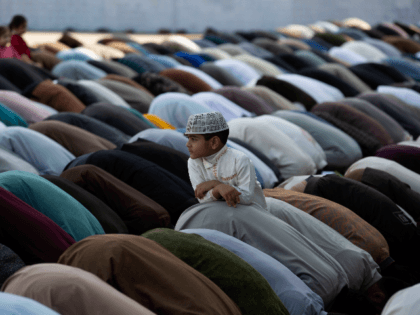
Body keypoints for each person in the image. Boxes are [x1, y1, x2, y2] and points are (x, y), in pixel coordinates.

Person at [185, 111, 267, 209]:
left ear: (214, 142)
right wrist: (218, 189)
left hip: (253, 213)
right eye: (188, 138)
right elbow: (202, 199)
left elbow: (247, 197)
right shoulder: (193, 162)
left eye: (193, 139)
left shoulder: (240, 159)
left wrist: (215, 184)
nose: (188, 144)